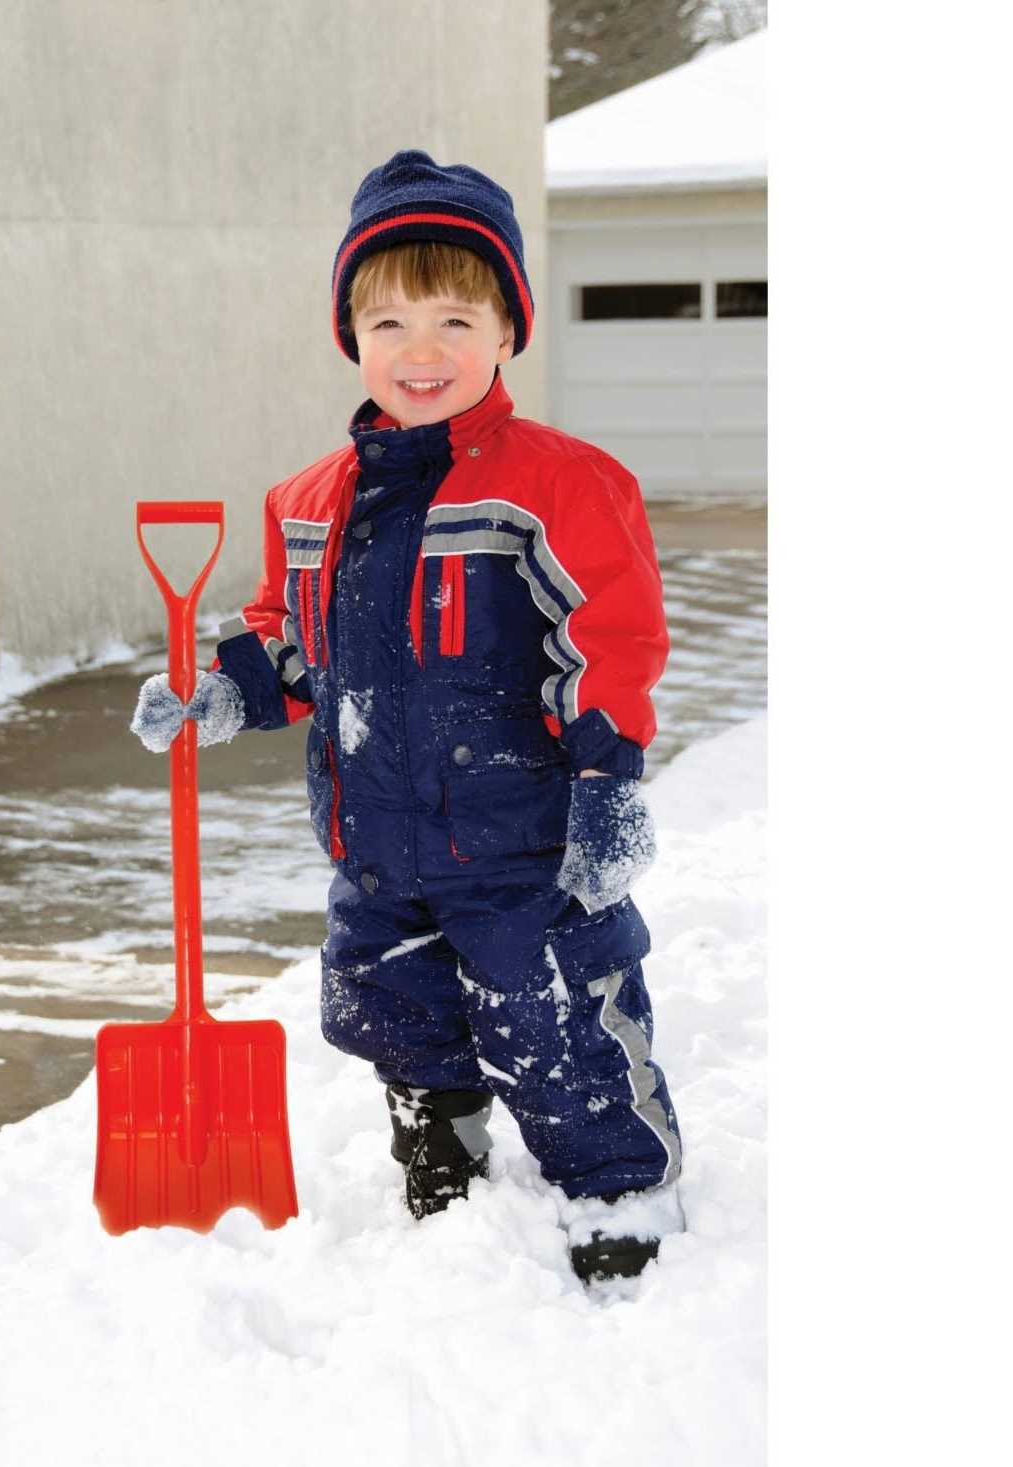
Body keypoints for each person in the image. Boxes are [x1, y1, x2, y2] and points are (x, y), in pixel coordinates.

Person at [130, 150, 683, 1283]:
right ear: (350, 337)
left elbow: (609, 645)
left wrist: (607, 782)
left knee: (558, 1019)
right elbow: (294, 638)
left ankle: (618, 1186)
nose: (420, 351)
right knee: (394, 1007)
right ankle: (443, 1138)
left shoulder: (565, 487)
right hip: (378, 841)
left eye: (452, 317)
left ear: (508, 330)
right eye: (386, 322)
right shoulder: (308, 498)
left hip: (523, 841)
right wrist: (224, 688)